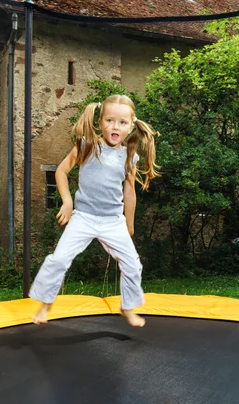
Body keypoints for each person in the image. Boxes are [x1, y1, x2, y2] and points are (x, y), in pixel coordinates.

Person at [30, 94, 160, 327]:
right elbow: (61, 171)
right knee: (59, 259)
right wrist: (67, 202)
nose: (115, 127)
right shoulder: (87, 146)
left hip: (113, 221)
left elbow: (129, 192)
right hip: (84, 218)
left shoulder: (129, 156)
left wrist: (129, 223)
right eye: (109, 120)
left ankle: (127, 307)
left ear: (131, 126)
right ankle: (45, 305)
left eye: (122, 123)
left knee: (133, 264)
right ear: (100, 122)